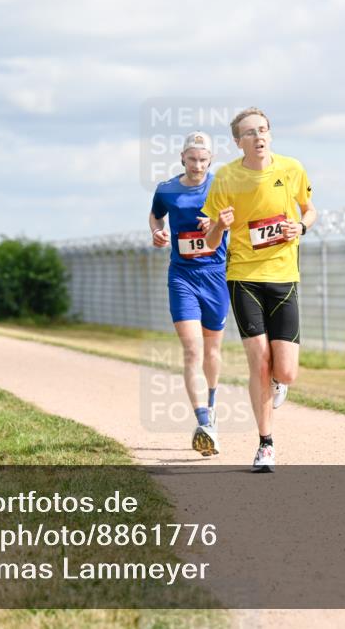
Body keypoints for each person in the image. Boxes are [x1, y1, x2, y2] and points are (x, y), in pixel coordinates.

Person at [203, 107, 316, 472]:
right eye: (250, 132)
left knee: (285, 371)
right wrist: (219, 225)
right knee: (258, 359)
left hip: (283, 276)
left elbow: (309, 210)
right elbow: (208, 239)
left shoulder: (291, 168)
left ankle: (279, 383)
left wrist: (301, 226)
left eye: (263, 130)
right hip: (243, 276)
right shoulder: (226, 177)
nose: (258, 136)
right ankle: (265, 443)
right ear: (238, 142)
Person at [150, 131, 229, 457]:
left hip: (216, 275)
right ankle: (202, 423)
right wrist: (157, 232)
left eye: (203, 159)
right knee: (192, 350)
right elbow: (156, 214)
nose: (197, 165)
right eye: (192, 159)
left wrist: (217, 223)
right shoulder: (166, 189)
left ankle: (211, 407)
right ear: (182, 158)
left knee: (212, 351)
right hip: (182, 276)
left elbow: (236, 219)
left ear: (210, 160)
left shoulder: (222, 186)